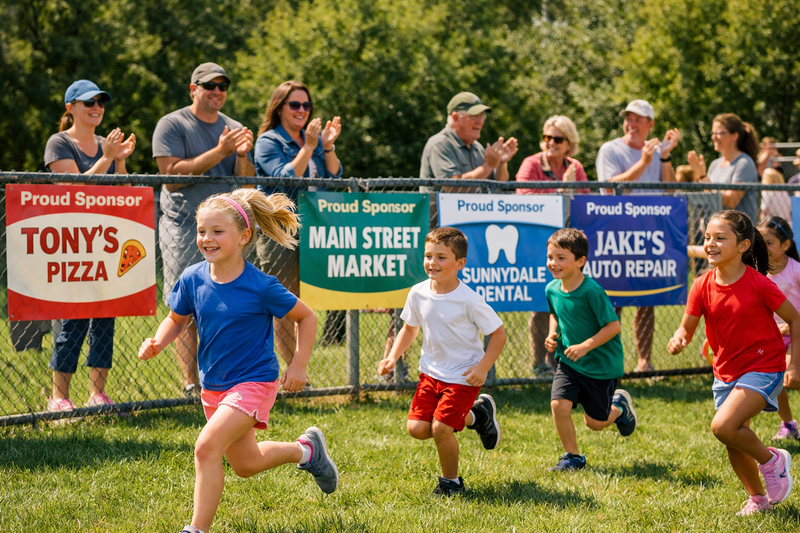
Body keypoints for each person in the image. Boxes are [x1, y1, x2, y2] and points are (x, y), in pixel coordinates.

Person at [138, 189, 337, 533]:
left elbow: (307, 317)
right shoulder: (192, 277)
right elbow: (176, 319)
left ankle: (196, 529)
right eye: (202, 231)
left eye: (217, 231)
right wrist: (158, 340)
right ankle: (306, 451)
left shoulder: (261, 286)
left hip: (254, 382)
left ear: (244, 236)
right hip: (213, 386)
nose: (206, 238)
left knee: (205, 448)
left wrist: (299, 364)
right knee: (246, 464)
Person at [668, 210, 799, 516]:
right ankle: (757, 499)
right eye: (707, 238)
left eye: (720, 238)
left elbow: (795, 318)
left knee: (723, 426)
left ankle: (772, 461)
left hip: (764, 365)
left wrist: (794, 366)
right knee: (733, 437)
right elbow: (686, 327)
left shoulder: (759, 284)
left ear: (743, 246)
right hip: (726, 370)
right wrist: (679, 338)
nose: (710, 244)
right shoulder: (701, 284)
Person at [377, 227, 506, 495]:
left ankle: (451, 482)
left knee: (441, 429)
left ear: (460, 263)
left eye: (441, 257)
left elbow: (498, 334)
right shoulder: (418, 292)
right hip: (431, 374)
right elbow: (410, 328)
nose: (432, 263)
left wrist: (482, 368)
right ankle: (477, 415)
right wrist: (392, 357)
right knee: (417, 428)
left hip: (463, 376)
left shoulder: (469, 299)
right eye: (428, 256)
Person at [152, 62, 254, 397]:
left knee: (225, 302)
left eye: (223, 86)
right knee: (187, 305)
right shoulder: (172, 124)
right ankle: (190, 383)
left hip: (227, 230)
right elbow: (171, 176)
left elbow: (246, 180)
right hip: (184, 228)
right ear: (193, 88)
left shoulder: (234, 127)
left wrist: (240, 154)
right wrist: (219, 151)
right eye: (209, 85)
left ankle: (222, 378)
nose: (217, 92)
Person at [43, 79, 136, 410]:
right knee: (73, 321)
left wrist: (120, 159)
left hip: (104, 244)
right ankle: (59, 397)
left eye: (100, 102)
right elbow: (72, 187)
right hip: (72, 246)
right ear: (71, 109)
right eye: (88, 103)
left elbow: (123, 192)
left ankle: (98, 393)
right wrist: (106, 158)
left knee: (104, 321)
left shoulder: (105, 144)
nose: (97, 107)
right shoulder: (59, 143)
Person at [254, 80, 344, 361]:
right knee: (284, 301)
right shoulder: (269, 141)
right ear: (279, 108)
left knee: (304, 302)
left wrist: (326, 147)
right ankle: (292, 368)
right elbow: (284, 178)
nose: (302, 110)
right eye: (295, 104)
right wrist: (309, 146)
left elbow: (334, 178)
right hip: (280, 230)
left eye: (307, 105)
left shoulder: (312, 139)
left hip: (313, 230)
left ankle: (298, 368)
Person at [596, 99, 681, 372]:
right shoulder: (610, 149)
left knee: (647, 299)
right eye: (628, 118)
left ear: (650, 125)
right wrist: (644, 161)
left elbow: (670, 191)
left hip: (649, 236)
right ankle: (611, 362)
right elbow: (612, 189)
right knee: (614, 300)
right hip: (616, 236)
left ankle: (644, 363)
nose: (632, 124)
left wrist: (665, 155)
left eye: (638, 119)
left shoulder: (656, 153)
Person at [544, 228, 638, 472]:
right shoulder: (552, 289)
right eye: (550, 257)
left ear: (580, 261)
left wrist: (586, 346)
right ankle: (572, 457)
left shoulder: (592, 291)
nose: (553, 263)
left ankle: (619, 407)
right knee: (559, 405)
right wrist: (552, 334)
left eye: (561, 258)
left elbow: (613, 326)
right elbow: (555, 314)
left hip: (600, 366)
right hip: (569, 361)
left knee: (595, 423)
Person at [515, 115, 588, 376]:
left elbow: (585, 203)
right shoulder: (531, 163)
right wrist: (561, 189)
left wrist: (571, 187)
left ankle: (561, 363)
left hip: (569, 249)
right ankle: (539, 365)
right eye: (547, 138)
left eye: (557, 139)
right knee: (541, 304)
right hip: (536, 244)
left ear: (570, 143)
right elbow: (523, 198)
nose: (551, 143)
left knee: (567, 303)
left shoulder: (575, 167)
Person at [420, 92, 518, 192]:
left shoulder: (477, 147)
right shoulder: (440, 144)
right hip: (442, 208)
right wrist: (488, 166)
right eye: (474, 116)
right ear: (455, 118)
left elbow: (498, 184)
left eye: (482, 116)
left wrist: (501, 162)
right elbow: (452, 187)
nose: (480, 121)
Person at [757, 217, 800, 440]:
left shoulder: (796, 270)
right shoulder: (756, 271)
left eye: (769, 242)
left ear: (785, 246)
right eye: (759, 241)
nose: (763, 247)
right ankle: (789, 424)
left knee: (792, 377)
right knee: (778, 381)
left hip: (795, 334)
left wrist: (789, 327)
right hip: (770, 337)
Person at [687, 113, 759, 223]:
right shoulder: (715, 164)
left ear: (734, 136)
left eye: (719, 133)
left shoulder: (744, 163)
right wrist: (701, 177)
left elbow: (731, 201)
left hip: (739, 232)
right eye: (713, 133)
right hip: (718, 229)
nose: (713, 137)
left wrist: (703, 176)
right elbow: (710, 195)